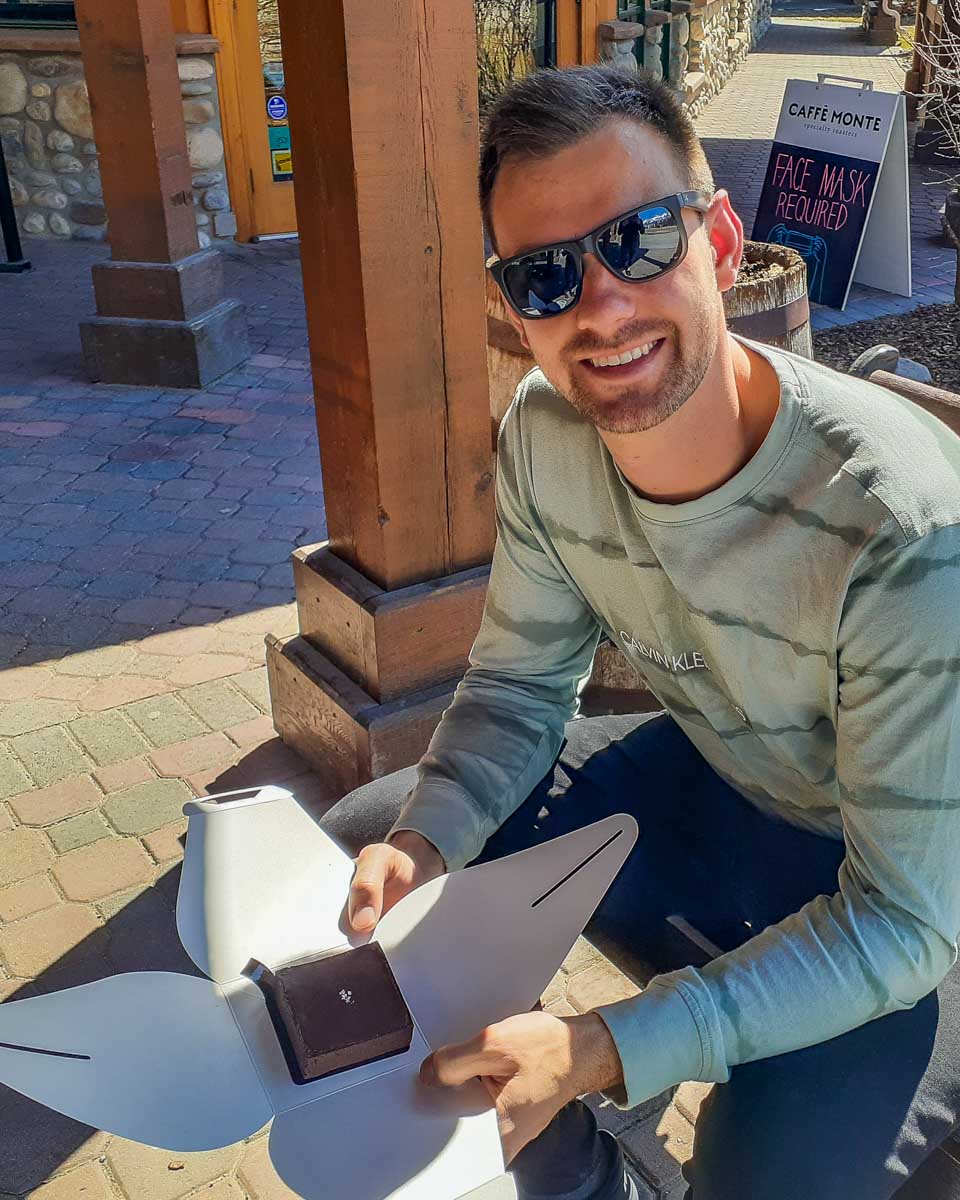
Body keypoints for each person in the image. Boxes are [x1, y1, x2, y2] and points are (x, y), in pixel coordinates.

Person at [320, 65, 960, 1199]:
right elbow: (520, 687)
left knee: (763, 1180)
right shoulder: (546, 436)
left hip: (917, 887)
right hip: (728, 785)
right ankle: (569, 1167)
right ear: (513, 306)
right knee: (378, 842)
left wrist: (606, 1043)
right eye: (548, 274)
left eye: (640, 240)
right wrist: (425, 841)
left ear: (719, 241)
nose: (602, 306)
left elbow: (905, 921)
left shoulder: (900, 524)